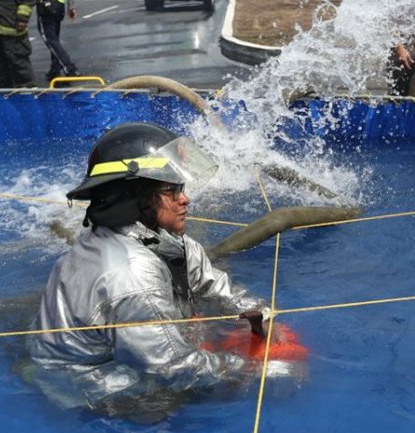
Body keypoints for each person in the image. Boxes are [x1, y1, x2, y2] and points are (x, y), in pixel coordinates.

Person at [27, 122, 268, 414]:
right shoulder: (131, 273)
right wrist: (253, 367)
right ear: (135, 198)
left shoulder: (155, 239)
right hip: (84, 384)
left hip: (120, 349)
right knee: (164, 409)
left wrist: (260, 315)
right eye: (172, 190)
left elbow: (209, 284)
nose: (185, 198)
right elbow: (173, 368)